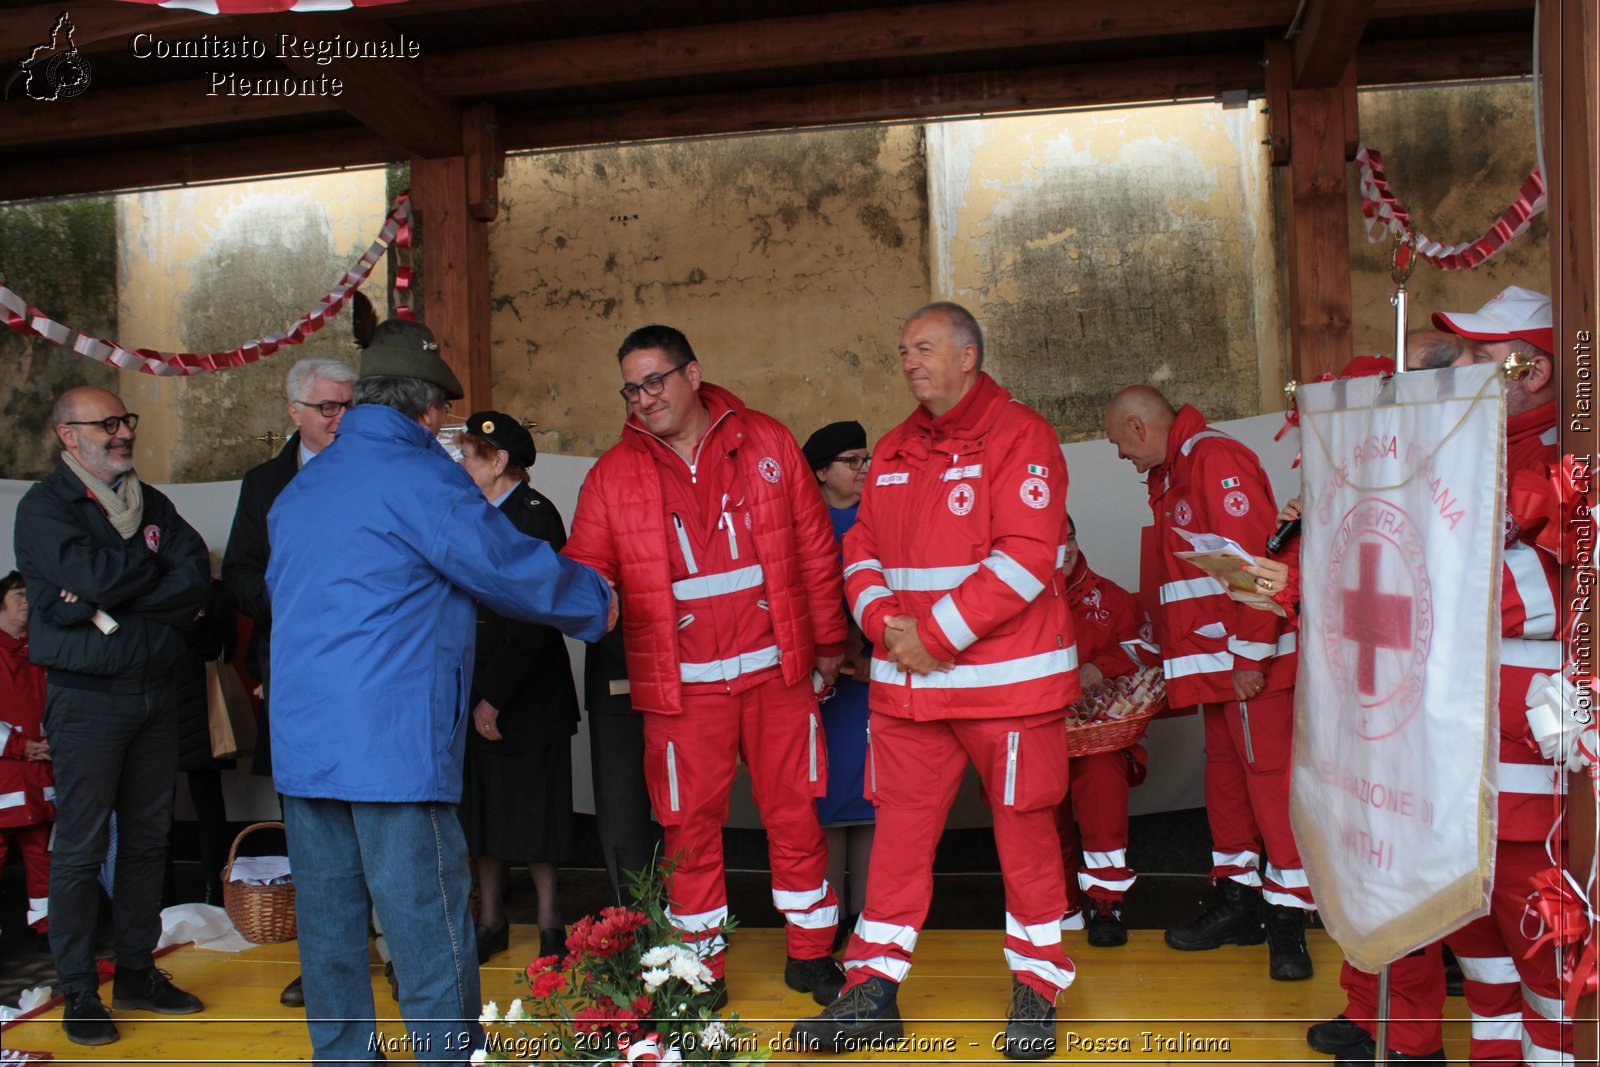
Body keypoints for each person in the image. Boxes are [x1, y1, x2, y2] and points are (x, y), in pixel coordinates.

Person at [266, 317, 614, 1065]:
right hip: (388, 743)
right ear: (427, 410)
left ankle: (345, 1056)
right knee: (427, 924)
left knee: (329, 928)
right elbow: (507, 565)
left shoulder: (304, 484)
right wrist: (600, 602)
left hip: (303, 744)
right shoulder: (421, 477)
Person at [794, 302, 1078, 1060]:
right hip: (913, 689)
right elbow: (862, 553)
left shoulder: (1025, 437)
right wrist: (889, 626)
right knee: (898, 843)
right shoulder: (889, 451)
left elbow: (1024, 557)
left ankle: (1038, 989)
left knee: (1025, 840)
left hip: (1005, 689)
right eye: (903, 350)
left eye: (923, 348)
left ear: (968, 356)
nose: (909, 361)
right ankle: (872, 991)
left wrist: (933, 636)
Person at [1307, 292, 1571, 1067]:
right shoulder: (1462, 446)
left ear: (1535, 369)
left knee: (1552, 983)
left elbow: (1541, 597)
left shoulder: (1565, 463)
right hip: (1447, 781)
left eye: (1481, 356)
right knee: (1486, 976)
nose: (1460, 369)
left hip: (1528, 784)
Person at [563, 324, 849, 1008]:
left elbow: (815, 550)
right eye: (632, 388)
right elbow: (582, 574)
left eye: (654, 381)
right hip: (682, 690)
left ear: (694, 374)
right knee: (687, 833)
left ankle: (811, 952)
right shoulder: (611, 474)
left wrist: (830, 642)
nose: (643, 398)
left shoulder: (771, 441)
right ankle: (701, 969)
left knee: (796, 817)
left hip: (777, 675)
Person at [13, 386, 212, 1046]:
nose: (123, 432)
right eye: (107, 424)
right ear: (69, 435)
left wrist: (113, 590)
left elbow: (193, 577)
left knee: (150, 841)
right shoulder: (45, 507)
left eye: (126, 420)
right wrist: (142, 577)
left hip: (155, 692)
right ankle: (77, 988)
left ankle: (135, 970)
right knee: (81, 846)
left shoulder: (152, 503)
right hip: (89, 698)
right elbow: (92, 578)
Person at [1102, 384, 1311, 981]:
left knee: (1269, 788)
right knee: (1226, 783)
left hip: (1247, 666)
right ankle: (1239, 902)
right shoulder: (1177, 471)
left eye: (1122, 447)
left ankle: (1288, 921)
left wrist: (1250, 656)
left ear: (1140, 427)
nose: (1125, 460)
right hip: (1215, 668)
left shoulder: (1213, 460)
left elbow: (1258, 566)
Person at [222, 354, 357, 1009]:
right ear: (295, 412)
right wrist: (293, 597)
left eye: (348, 405)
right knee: (307, 823)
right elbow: (241, 574)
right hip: (296, 669)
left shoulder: (372, 471)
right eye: (328, 407)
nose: (340, 418)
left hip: (367, 671)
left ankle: (390, 949)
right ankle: (323, 962)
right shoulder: (265, 482)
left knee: (377, 816)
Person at [455, 411, 581, 963]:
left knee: (538, 810)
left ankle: (551, 922)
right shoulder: (469, 514)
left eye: (469, 456)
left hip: (527, 690)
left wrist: (496, 696)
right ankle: (491, 920)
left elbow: (534, 615)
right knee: (481, 808)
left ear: (498, 461)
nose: (461, 465)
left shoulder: (535, 516)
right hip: (476, 680)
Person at [1056, 515, 1151, 948]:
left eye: (1071, 538)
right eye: (1055, 542)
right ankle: (1056, 902)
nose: (1066, 549)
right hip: (1036, 731)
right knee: (1036, 809)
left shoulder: (1109, 596)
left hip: (1099, 734)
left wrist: (1101, 666)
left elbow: (1145, 646)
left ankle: (1106, 900)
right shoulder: (1013, 599)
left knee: (1101, 783)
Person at [801, 420, 877, 946]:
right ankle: (825, 922)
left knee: (873, 800)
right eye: (852, 460)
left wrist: (878, 652)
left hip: (877, 679)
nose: (864, 469)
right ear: (822, 471)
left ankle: (868, 922)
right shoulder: (804, 523)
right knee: (825, 802)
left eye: (866, 458)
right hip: (819, 685)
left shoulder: (882, 518)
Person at [0, 571, 53, 943]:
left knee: (45, 858)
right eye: (18, 595)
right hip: (6, 772)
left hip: (42, 772)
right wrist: (19, 746)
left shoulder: (43, 649)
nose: (27, 602)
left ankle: (49, 931)